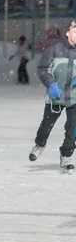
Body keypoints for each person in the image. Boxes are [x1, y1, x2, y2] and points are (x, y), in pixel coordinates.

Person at [29, 20, 76, 173]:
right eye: (75, 31)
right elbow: (43, 69)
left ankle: (66, 155)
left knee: (73, 129)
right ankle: (40, 143)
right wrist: (51, 84)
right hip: (56, 96)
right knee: (46, 126)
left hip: (74, 97)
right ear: (68, 33)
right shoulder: (55, 49)